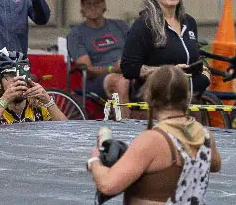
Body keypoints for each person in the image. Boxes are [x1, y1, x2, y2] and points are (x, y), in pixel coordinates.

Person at [88, 64, 221, 204]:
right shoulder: (205, 135)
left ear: (149, 96)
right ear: (187, 96)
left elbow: (108, 186)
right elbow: (215, 165)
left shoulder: (153, 140)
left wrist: (95, 159)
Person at [122, 0, 211, 99]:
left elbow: (193, 58)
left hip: (188, 100)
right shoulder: (144, 24)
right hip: (155, 101)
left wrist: (204, 72)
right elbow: (129, 68)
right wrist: (170, 72)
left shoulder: (189, 22)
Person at [67, 0, 131, 105]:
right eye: (88, 4)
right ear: (82, 8)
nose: (92, 7)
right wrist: (112, 69)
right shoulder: (76, 34)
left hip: (128, 72)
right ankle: (124, 118)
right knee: (120, 81)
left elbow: (138, 51)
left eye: (96, 3)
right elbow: (87, 70)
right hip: (98, 81)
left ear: (104, 5)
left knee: (158, 77)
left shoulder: (120, 26)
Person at [0, 50, 68, 126]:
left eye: (23, 73)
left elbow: (67, 131)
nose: (18, 79)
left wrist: (48, 102)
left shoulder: (40, 109)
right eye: (11, 74)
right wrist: (5, 100)